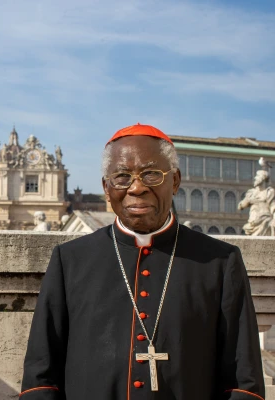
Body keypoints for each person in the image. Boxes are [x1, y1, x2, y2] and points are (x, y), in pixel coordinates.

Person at [21, 124, 265, 400]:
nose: (137, 188)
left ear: (174, 181)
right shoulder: (70, 260)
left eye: (151, 174)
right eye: (122, 176)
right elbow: (40, 379)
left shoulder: (220, 262)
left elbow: (243, 382)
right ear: (106, 187)